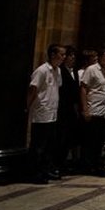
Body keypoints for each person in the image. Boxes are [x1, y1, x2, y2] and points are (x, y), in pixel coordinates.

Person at [26, 44, 65, 184]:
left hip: (52, 113)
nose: (64, 57)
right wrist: (27, 107)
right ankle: (34, 172)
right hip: (41, 113)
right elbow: (33, 89)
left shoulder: (58, 71)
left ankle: (45, 169)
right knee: (38, 145)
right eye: (61, 54)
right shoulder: (41, 70)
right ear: (53, 55)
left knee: (49, 145)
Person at [80, 49, 105, 176]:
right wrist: (85, 109)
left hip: (103, 112)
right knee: (90, 141)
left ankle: (96, 163)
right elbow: (83, 88)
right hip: (92, 110)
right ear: (99, 57)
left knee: (99, 141)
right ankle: (87, 166)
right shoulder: (91, 70)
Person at [54, 45, 81, 175]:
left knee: (68, 139)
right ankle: (56, 164)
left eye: (72, 55)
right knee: (60, 139)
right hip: (62, 108)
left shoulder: (74, 71)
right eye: (69, 55)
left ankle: (63, 163)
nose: (72, 58)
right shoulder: (60, 71)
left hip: (71, 109)